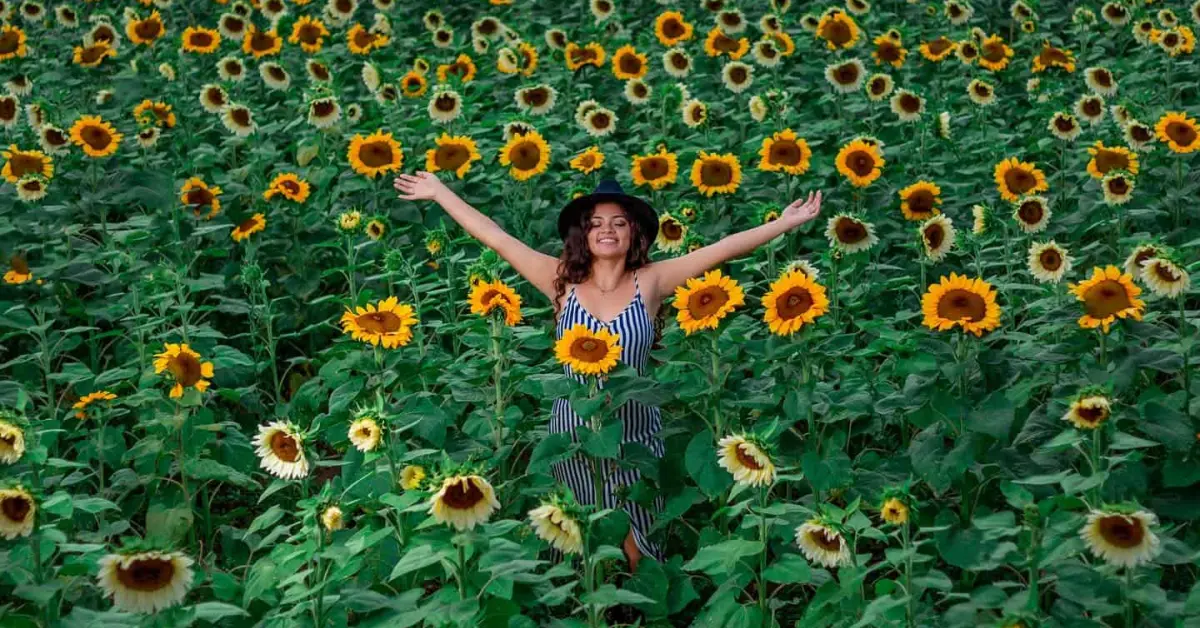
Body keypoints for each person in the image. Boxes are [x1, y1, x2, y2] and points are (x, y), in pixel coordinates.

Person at [393, 172, 822, 571]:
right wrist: (440, 192)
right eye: (596, 222)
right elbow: (498, 239)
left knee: (638, 538)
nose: (607, 230)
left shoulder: (651, 281)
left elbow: (725, 248)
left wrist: (784, 223)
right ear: (583, 233)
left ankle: (645, 612)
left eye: (619, 222)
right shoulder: (560, 281)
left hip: (635, 429)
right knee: (578, 530)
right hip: (575, 428)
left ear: (633, 231)